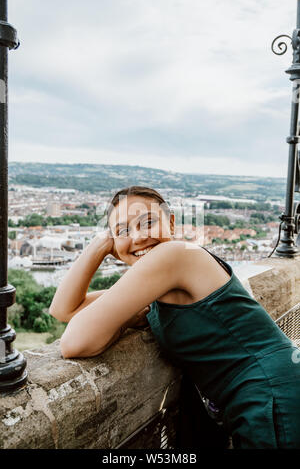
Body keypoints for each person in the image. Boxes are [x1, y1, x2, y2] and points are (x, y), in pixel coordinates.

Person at [50, 185, 300, 449]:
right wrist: (98, 246)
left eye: (147, 222)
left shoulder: (175, 255)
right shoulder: (156, 283)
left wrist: (121, 316)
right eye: (123, 231)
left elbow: (73, 342)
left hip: (272, 398)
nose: (137, 237)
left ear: (170, 222)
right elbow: (64, 310)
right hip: (263, 397)